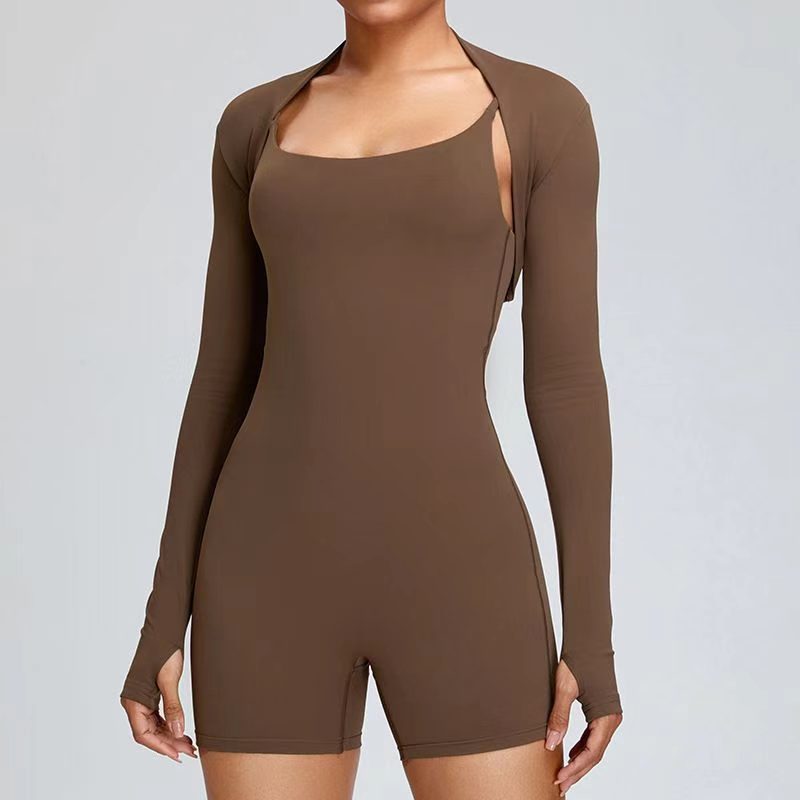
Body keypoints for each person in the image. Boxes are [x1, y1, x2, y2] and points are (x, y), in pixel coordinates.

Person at [120, 2, 623, 797]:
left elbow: (564, 382)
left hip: (462, 573)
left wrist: (590, 636)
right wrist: (162, 619)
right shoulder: (253, 125)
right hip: (263, 578)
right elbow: (222, 375)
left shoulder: (538, 114)